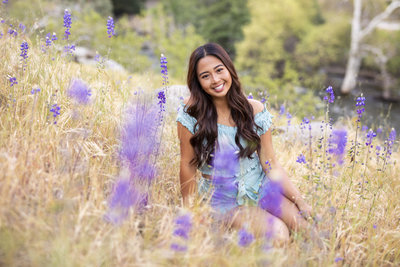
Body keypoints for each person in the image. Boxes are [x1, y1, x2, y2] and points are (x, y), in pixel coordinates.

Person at [176, 43, 313, 242]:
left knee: (309, 230)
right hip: (225, 200)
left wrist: (301, 202)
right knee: (279, 235)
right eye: (205, 76)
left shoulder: (254, 110)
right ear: (197, 81)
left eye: (219, 70)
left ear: (229, 69)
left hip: (261, 188)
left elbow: (270, 163)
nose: (215, 80)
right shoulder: (191, 115)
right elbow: (187, 165)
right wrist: (191, 213)